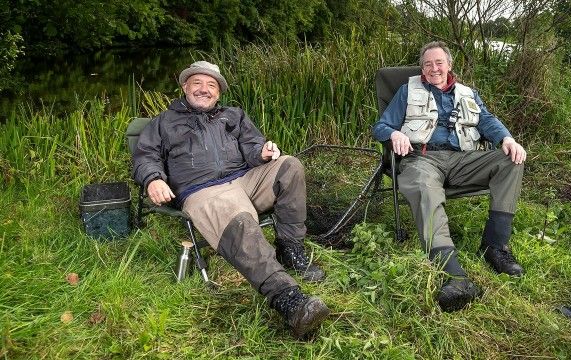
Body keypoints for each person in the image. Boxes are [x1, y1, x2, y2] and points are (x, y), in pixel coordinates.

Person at [133, 61, 330, 337]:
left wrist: (262, 152)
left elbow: (252, 146)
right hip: (201, 190)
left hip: (243, 179)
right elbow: (145, 157)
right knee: (237, 218)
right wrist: (153, 178)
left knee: (290, 166)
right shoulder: (164, 122)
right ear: (185, 87)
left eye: (211, 85)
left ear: (219, 93)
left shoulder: (233, 115)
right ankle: (289, 300)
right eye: (197, 83)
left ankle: (290, 248)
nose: (204, 89)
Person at [372, 41, 526, 312]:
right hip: (423, 158)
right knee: (421, 184)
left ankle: (495, 246)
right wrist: (394, 133)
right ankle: (454, 275)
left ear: (449, 65)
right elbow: (381, 125)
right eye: (428, 64)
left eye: (439, 62)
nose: (434, 68)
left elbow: (487, 121)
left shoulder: (468, 93)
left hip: (463, 159)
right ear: (422, 68)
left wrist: (507, 139)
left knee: (510, 161)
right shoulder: (408, 91)